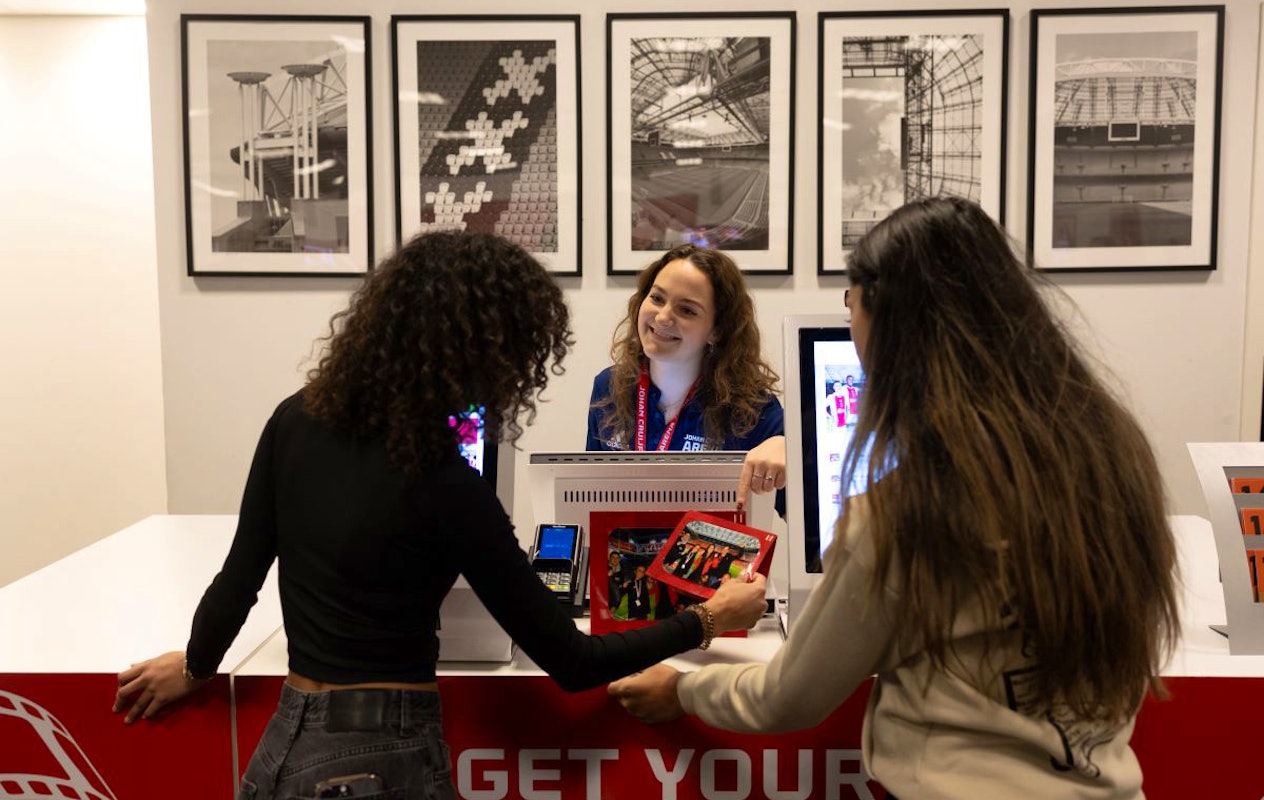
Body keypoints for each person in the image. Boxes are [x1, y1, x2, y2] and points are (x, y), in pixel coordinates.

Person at [111, 231, 767, 799]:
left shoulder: (294, 418)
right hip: (381, 762)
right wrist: (708, 619)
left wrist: (197, 664)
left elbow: (237, 581)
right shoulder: (446, 480)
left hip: (279, 750)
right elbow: (572, 661)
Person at [609, 198, 1180, 799]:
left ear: (890, 323)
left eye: (851, 308)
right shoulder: (1114, 456)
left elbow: (789, 695)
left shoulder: (909, 505)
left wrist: (681, 690)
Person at [586, 243, 785, 508]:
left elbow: (808, 512)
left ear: (717, 330)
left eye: (687, 310)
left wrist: (789, 447)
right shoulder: (608, 387)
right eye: (657, 298)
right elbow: (587, 498)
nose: (663, 316)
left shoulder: (751, 409)